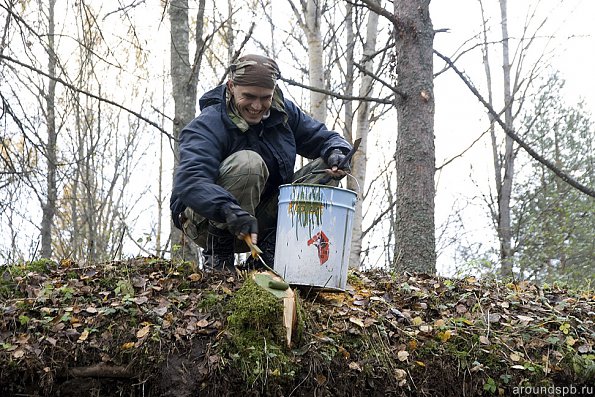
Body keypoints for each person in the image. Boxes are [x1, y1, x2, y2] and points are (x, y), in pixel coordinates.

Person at [170, 54, 353, 271]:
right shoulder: (208, 124)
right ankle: (219, 258)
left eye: (265, 97)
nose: (257, 106)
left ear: (273, 92)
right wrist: (227, 209)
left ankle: (264, 259)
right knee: (249, 163)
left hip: (260, 221)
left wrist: (337, 153)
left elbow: (325, 137)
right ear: (231, 87)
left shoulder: (283, 113)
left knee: (324, 171)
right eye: (248, 96)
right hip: (208, 221)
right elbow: (190, 181)